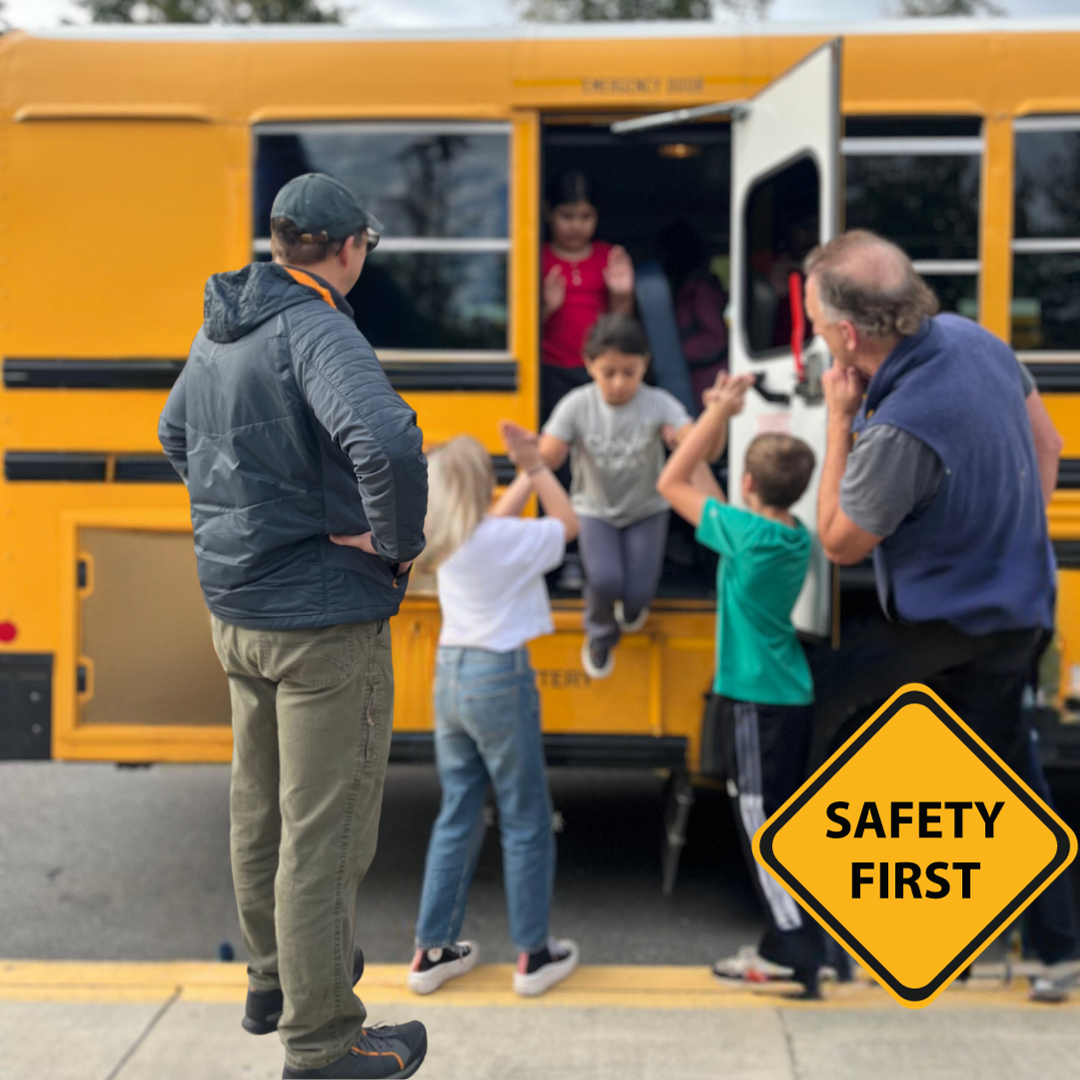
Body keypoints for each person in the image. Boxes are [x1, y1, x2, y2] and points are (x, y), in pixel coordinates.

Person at [159, 172, 430, 1079]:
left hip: (238, 612)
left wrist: (258, 520)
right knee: (329, 828)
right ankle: (324, 1042)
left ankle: (273, 978)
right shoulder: (317, 326)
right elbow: (388, 441)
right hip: (320, 619)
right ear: (349, 249)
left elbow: (174, 436)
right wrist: (389, 546)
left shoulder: (220, 324)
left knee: (259, 808)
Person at [807, 229, 1075, 1002]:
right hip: (1023, 608)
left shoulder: (895, 430)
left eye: (818, 327)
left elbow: (839, 543)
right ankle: (1055, 947)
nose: (817, 341)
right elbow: (1048, 449)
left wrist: (836, 421)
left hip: (948, 627)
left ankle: (832, 926)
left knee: (817, 701)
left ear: (850, 336)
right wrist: (991, 523)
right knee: (1008, 769)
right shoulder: (976, 338)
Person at [657, 373, 827, 998]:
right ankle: (810, 936)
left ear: (749, 484)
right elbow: (704, 494)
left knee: (761, 820)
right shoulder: (784, 537)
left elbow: (671, 482)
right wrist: (704, 433)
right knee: (779, 817)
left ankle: (792, 949)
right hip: (788, 693)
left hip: (757, 698)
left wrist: (718, 416)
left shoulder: (750, 534)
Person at [407, 423, 581, 998]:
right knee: (526, 817)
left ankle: (431, 952)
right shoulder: (502, 542)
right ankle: (533, 955)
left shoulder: (448, 538)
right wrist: (535, 467)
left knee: (457, 811)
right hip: (497, 677)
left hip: (450, 676)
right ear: (484, 483)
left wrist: (523, 473)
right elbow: (568, 524)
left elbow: (499, 520)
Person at [540, 314, 714, 679]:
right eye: (609, 372)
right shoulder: (577, 404)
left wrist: (683, 440)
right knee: (604, 580)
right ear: (589, 365)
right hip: (594, 508)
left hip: (646, 509)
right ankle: (601, 635)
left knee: (638, 591)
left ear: (644, 366)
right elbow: (548, 453)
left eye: (629, 372)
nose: (619, 382)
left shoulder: (657, 403)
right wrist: (541, 454)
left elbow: (696, 439)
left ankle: (632, 609)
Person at [541, 171, 635, 424]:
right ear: (548, 212)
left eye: (585, 217)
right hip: (551, 370)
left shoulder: (607, 257)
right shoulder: (539, 257)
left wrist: (622, 295)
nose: (576, 226)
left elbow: (620, 326)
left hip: (599, 369)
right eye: (567, 216)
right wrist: (547, 308)